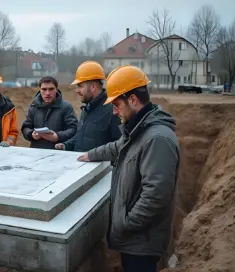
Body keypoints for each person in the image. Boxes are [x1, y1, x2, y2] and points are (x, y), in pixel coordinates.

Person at [77, 65, 180, 272]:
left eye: (116, 105)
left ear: (133, 100)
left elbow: (156, 195)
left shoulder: (157, 139)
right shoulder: (138, 128)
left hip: (142, 244)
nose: (114, 112)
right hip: (133, 239)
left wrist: (125, 223)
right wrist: (90, 155)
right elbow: (118, 146)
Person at [54, 61, 121, 152]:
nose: (77, 91)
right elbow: (81, 137)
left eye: (80, 86)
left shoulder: (112, 110)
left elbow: (118, 146)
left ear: (93, 86)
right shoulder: (86, 108)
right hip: (81, 164)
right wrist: (66, 145)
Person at [21, 76, 78, 149]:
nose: (47, 93)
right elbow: (26, 127)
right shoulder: (33, 107)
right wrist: (31, 134)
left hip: (59, 153)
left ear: (56, 89)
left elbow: (74, 129)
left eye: (51, 89)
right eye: (44, 89)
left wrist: (58, 136)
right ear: (40, 90)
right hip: (36, 153)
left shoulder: (66, 107)